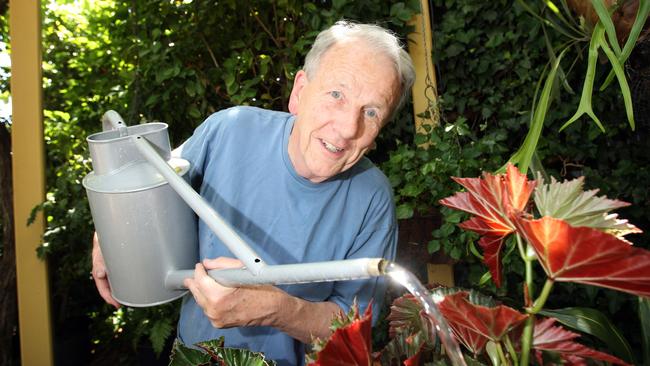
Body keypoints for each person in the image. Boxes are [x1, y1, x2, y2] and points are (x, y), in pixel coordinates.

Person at [92, 20, 415, 366]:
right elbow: (152, 190)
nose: (349, 127)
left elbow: (354, 330)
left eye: (371, 112)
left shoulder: (374, 198)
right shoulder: (228, 130)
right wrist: (110, 231)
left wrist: (279, 310)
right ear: (300, 92)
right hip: (195, 357)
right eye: (336, 94)